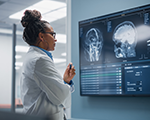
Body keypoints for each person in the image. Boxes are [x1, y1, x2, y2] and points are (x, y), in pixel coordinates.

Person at [20, 10, 76, 120]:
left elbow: (49, 92)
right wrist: (65, 86)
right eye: (52, 34)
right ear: (41, 36)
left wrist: (65, 81)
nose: (55, 39)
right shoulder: (39, 60)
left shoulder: (33, 57)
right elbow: (61, 97)